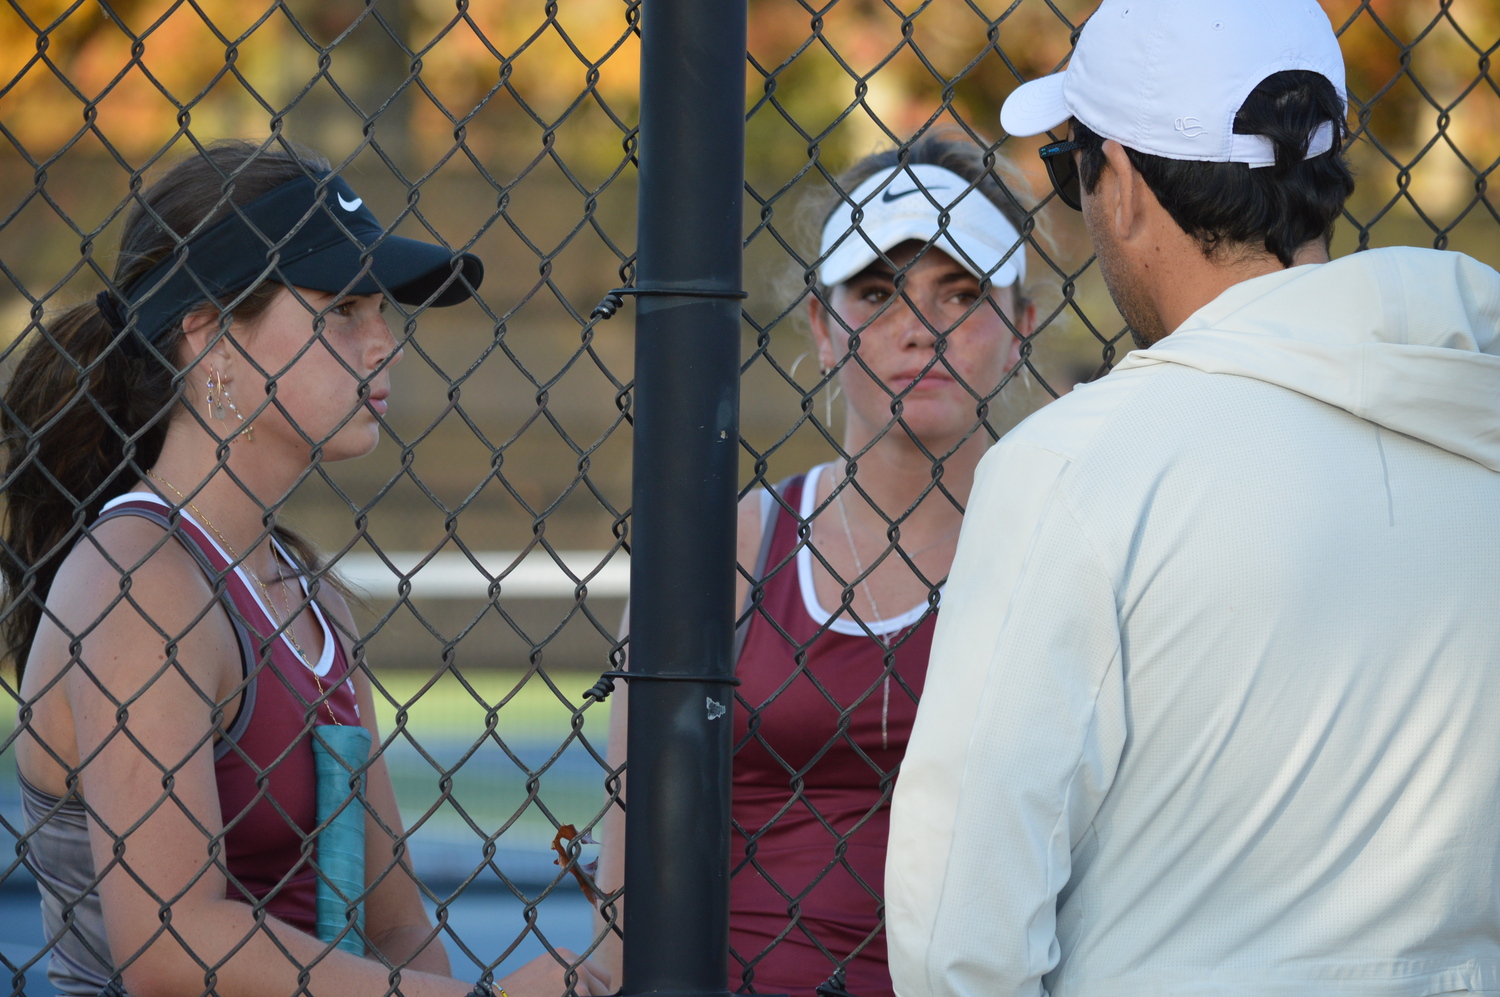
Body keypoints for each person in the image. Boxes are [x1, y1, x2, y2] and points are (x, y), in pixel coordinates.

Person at [886, 3, 1500, 996]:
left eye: (1073, 166)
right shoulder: (1473, 407)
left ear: (1120, 183)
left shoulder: (1074, 471)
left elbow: (962, 927)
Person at [2, 140, 607, 997]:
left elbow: (394, 920)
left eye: (381, 311)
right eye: (342, 310)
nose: (383, 345)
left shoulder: (306, 589)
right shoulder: (139, 585)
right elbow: (175, 942)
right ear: (209, 335)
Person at [596, 133, 1038, 997]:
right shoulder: (728, 549)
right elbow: (626, 888)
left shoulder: (1062, 547)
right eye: (878, 294)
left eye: (962, 293)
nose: (918, 329)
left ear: (1021, 326)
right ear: (820, 329)